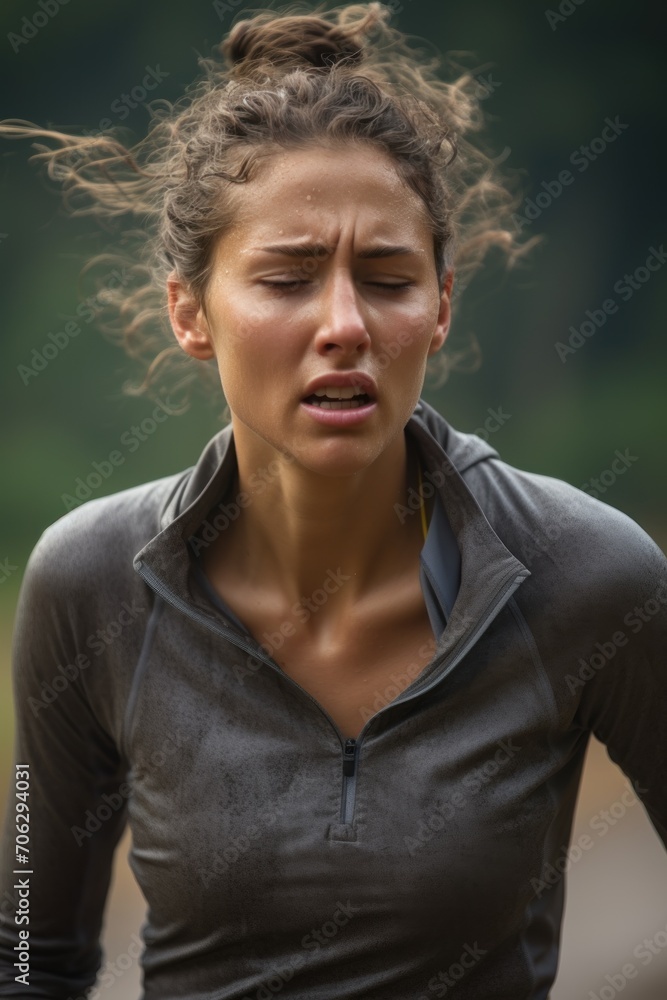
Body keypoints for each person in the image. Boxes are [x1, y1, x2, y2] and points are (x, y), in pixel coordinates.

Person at [0, 3, 666, 998]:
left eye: (388, 279)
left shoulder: (588, 575)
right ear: (191, 312)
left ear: (440, 306)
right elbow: (27, 961)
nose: (345, 324)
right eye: (287, 278)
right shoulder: (89, 584)